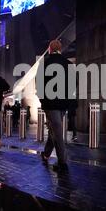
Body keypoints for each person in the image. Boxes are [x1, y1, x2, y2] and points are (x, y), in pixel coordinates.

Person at [38, 40, 75, 173]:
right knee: (55, 128)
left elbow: (39, 85)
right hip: (63, 104)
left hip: (50, 103)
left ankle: (62, 163)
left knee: (57, 131)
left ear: (50, 49)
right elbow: (73, 84)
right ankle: (47, 153)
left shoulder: (45, 63)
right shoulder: (69, 64)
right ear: (60, 49)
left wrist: (43, 101)